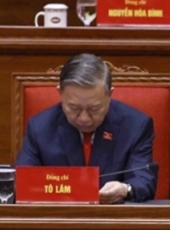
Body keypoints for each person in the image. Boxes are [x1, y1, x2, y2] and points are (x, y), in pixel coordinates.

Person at [15, 53, 157, 204]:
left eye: (94, 109)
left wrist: (125, 189)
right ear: (60, 94)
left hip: (113, 220)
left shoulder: (136, 125)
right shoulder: (40, 127)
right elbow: (22, 182)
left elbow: (144, 180)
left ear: (109, 95)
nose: (84, 118)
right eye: (74, 107)